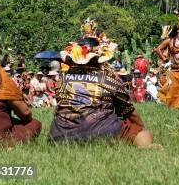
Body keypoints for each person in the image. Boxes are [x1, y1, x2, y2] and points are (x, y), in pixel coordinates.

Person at [49, 18, 160, 149]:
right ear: (99, 58)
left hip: (58, 135)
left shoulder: (63, 77)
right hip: (98, 133)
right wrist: (140, 128)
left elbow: (58, 107)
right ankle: (147, 147)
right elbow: (128, 111)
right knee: (134, 127)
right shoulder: (107, 77)